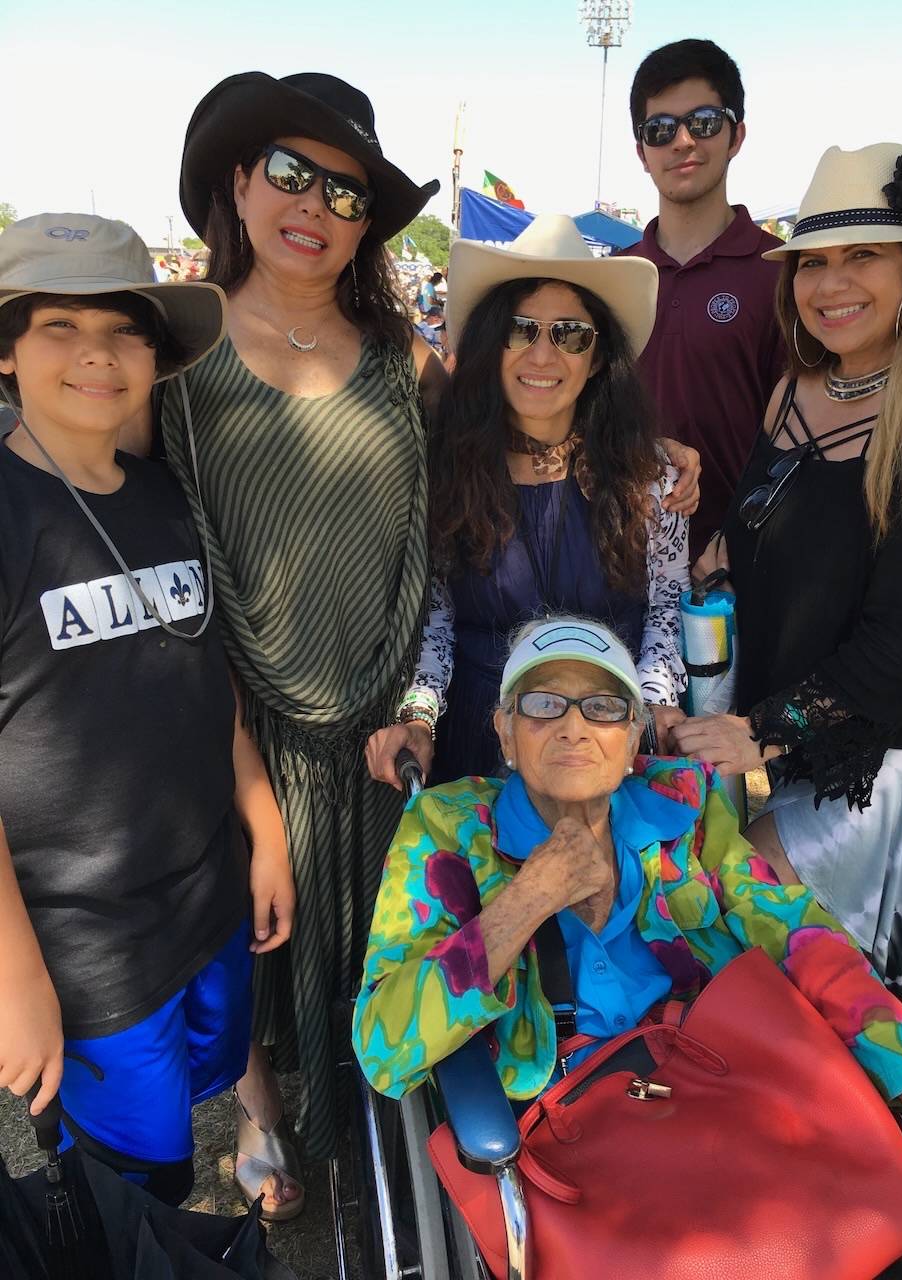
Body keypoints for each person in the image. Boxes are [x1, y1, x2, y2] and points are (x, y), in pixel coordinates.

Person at [353, 616, 902, 1275]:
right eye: (544, 703)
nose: (574, 727)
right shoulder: (448, 829)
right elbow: (384, 1043)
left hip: (731, 1096)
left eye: (603, 706)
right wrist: (525, 902)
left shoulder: (684, 811)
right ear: (505, 732)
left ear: (633, 736)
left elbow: (803, 938)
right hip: (578, 1144)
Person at [138, 70, 443, 1212]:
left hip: (381, 717)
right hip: (239, 707)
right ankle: (260, 1102)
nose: (315, 204)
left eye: (347, 192)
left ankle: (374, 1100)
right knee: (255, 926)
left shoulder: (406, 358)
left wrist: (654, 466)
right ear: (239, 182)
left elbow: (506, 458)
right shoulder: (177, 358)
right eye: (291, 172)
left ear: (367, 225)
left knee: (375, 926)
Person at [0, 214, 293, 1206]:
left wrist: (264, 831)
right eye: (59, 326)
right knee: (140, 1185)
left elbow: (212, 688)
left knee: (205, 1079)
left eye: (125, 329)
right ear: (7, 350)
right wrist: (17, 979)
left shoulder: (165, 497)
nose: (97, 353)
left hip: (205, 894)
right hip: (85, 940)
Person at [673, 143, 902, 1087]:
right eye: (813, 262)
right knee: (813, 1001)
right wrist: (720, 550)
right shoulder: (792, 393)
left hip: (892, 763)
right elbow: (768, 531)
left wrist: (758, 731)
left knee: (755, 919)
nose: (831, 284)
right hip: (800, 747)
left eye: (862, 257)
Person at [367, 214, 689, 786]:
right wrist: (418, 717)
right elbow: (438, 622)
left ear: (596, 358)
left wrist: (654, 705)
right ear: (492, 345)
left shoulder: (650, 475)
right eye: (520, 330)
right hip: (482, 745)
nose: (543, 355)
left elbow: (666, 609)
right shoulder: (447, 470)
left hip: (609, 744)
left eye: (571, 334)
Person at [621, 38, 784, 558]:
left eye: (705, 122)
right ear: (642, 151)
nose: (683, 141)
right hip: (620, 556)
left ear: (737, 136)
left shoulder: (782, 272)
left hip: (741, 564)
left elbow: (803, 435)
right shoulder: (611, 277)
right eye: (660, 129)